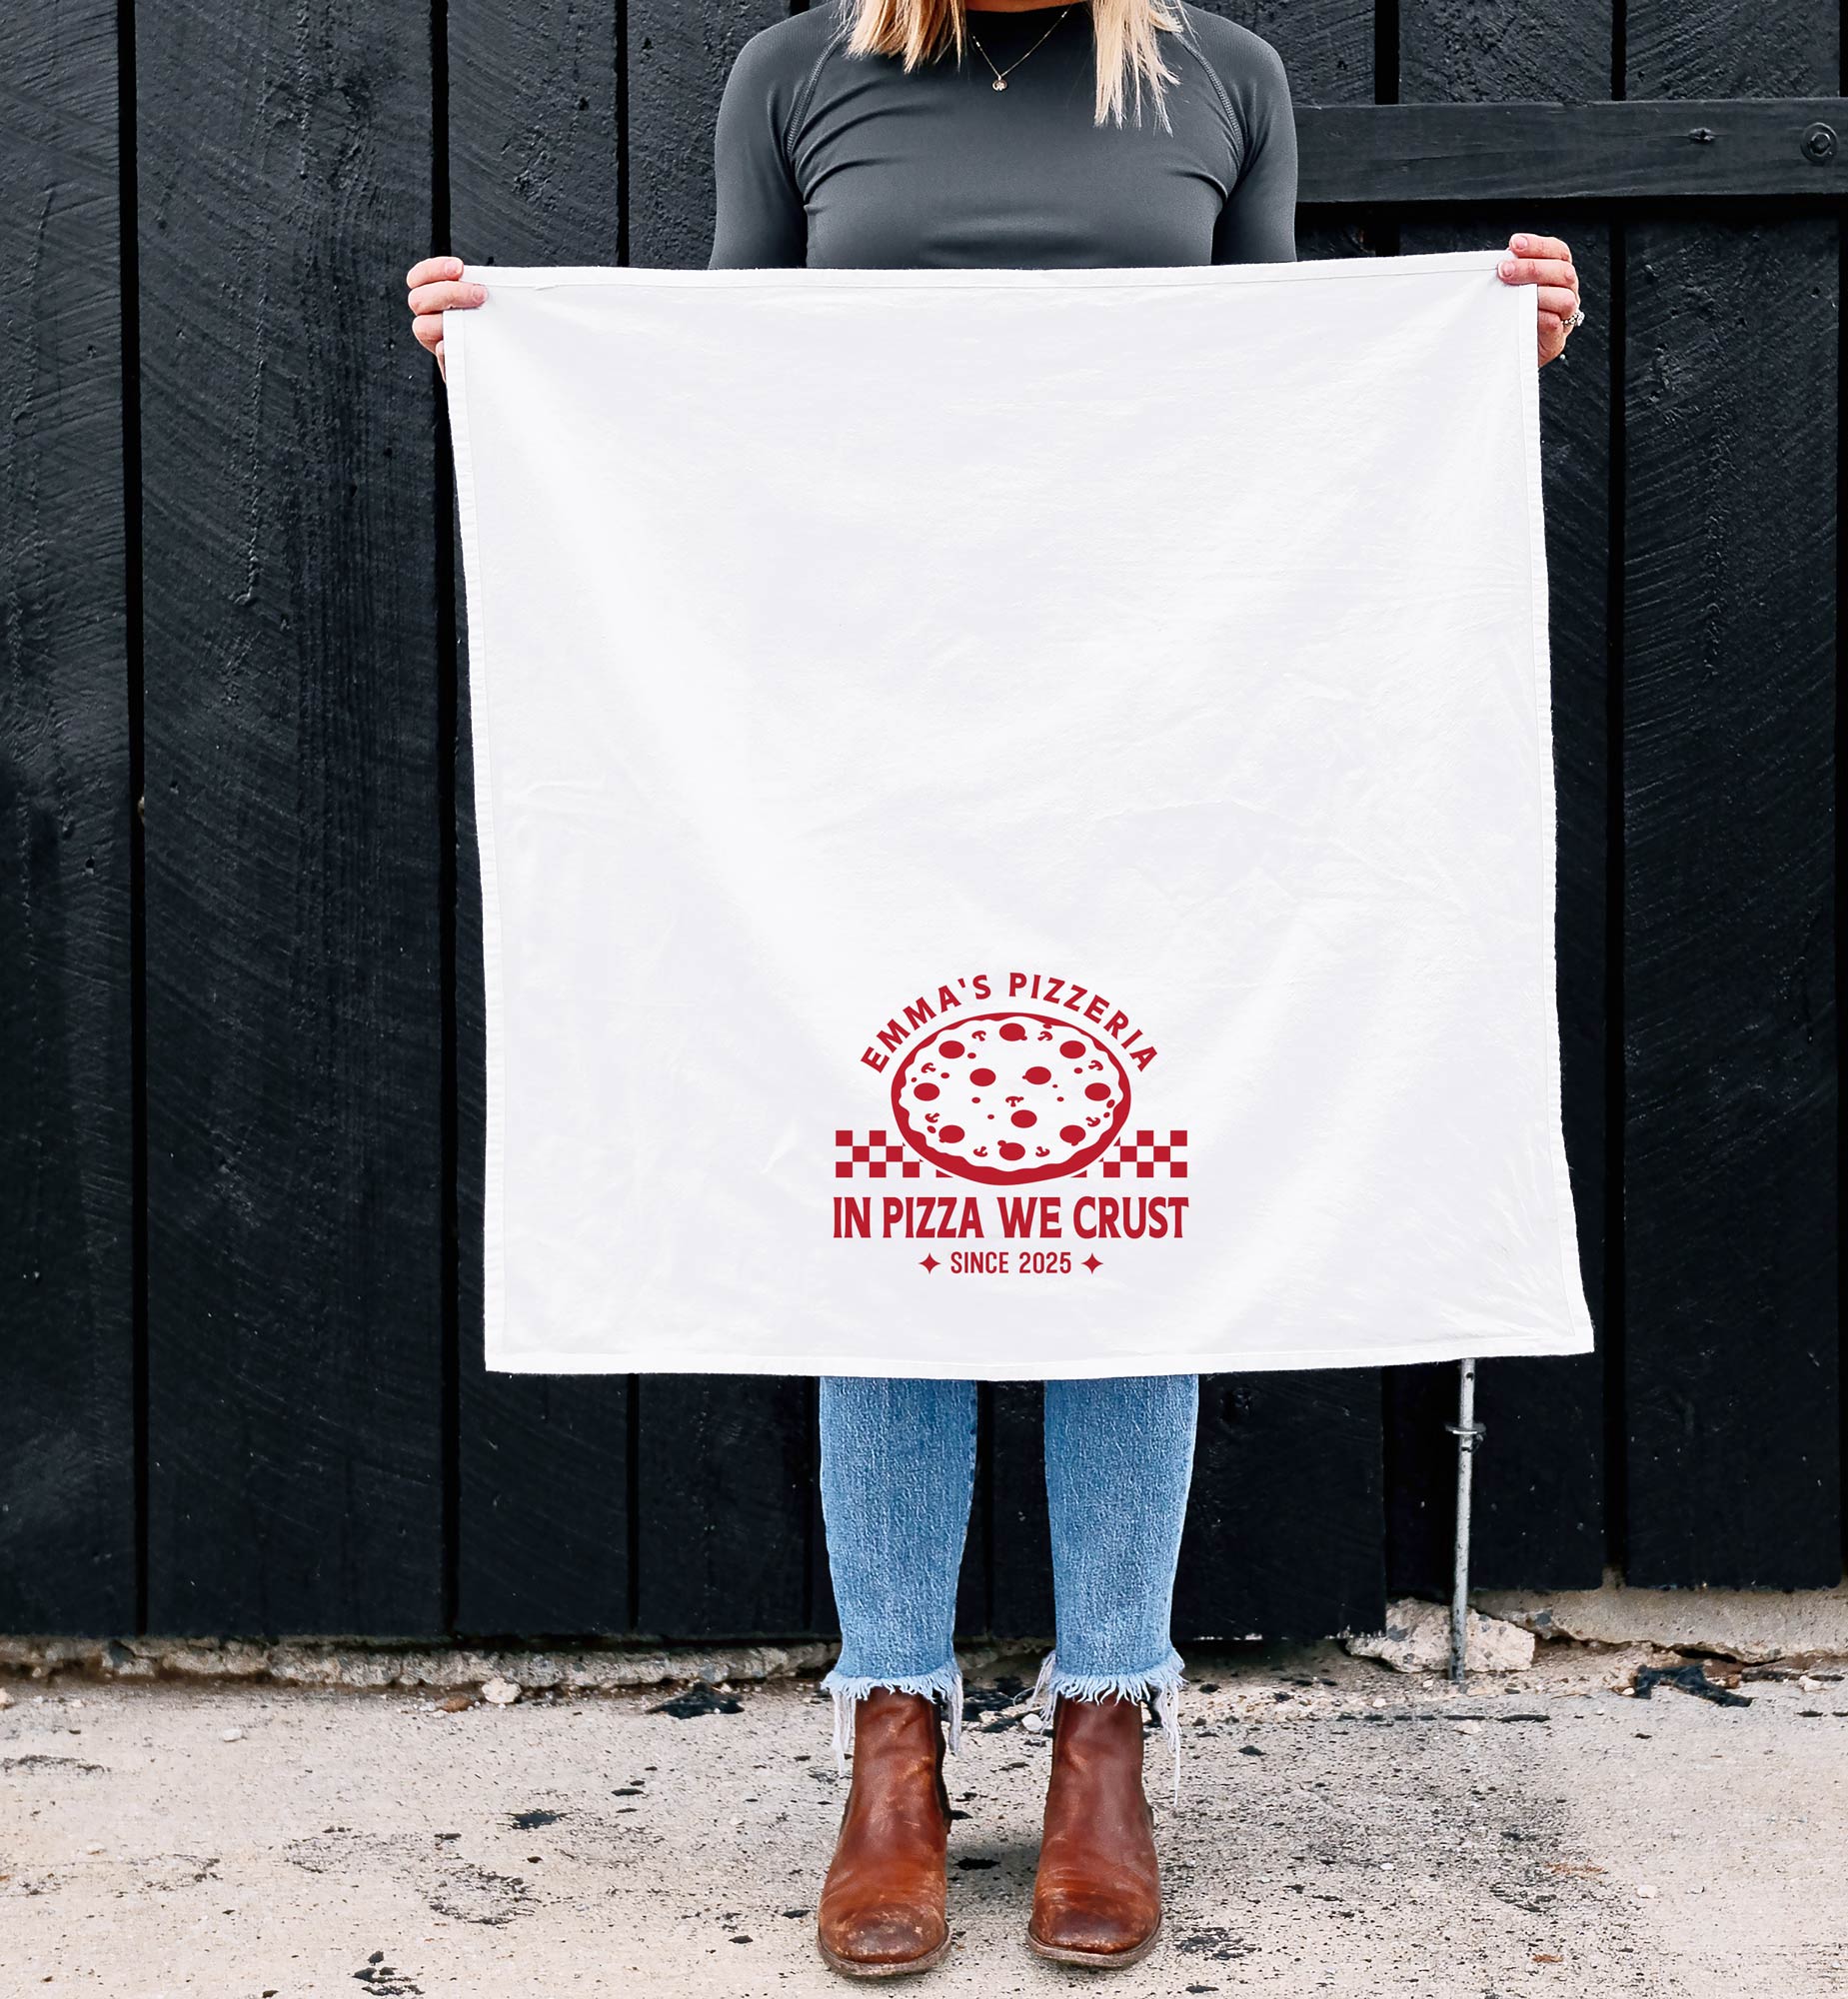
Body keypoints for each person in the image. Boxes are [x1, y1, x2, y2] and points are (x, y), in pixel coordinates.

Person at [406, 0, 1581, 1977]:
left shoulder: (1221, 76)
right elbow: (725, 398)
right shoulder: (797, 76)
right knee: (887, 1211)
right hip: (870, 734)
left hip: (1157, 737)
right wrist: (525, 368)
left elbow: (1271, 406)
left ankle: (1108, 1727)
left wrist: (1475, 355)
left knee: (1136, 1218)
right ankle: (895, 1727)